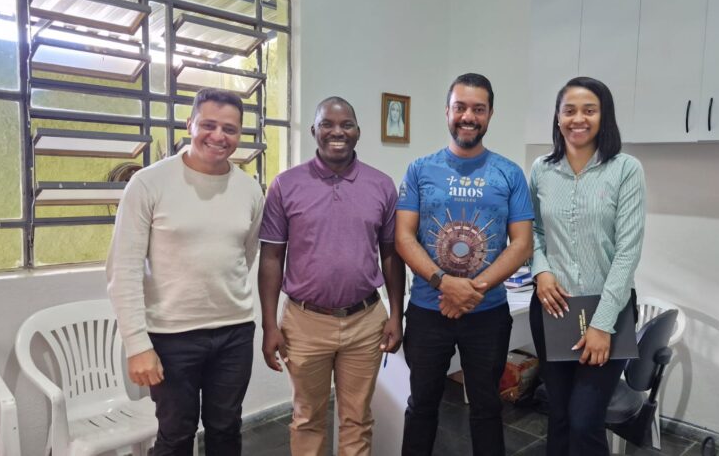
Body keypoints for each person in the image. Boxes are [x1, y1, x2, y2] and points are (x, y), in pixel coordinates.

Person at [106, 88, 264, 455]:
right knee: (176, 435)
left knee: (227, 428)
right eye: (208, 125)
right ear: (189, 124)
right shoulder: (149, 183)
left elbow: (245, 254)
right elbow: (123, 269)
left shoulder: (250, 189)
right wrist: (137, 345)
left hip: (235, 333)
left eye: (229, 129)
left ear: (239, 134)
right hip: (171, 335)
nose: (218, 136)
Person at [395, 73, 534, 456]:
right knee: (421, 404)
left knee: (487, 408)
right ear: (447, 111)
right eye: (460, 107)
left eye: (478, 109)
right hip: (428, 311)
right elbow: (403, 237)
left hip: (487, 314)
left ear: (490, 115)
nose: (468, 116)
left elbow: (522, 244)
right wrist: (445, 284)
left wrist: (473, 290)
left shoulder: (509, 173)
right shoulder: (419, 170)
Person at [258, 96, 405, 456]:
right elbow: (272, 257)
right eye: (327, 124)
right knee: (307, 418)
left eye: (346, 124)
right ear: (314, 130)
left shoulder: (382, 185)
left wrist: (396, 314)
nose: (337, 131)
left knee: (358, 418)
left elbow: (391, 254)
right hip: (304, 322)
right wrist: (269, 324)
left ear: (358, 131)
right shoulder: (285, 185)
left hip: (365, 321)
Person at [529, 76, 646, 456]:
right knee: (559, 416)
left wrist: (602, 324)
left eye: (589, 110)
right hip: (553, 307)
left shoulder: (626, 169)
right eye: (569, 110)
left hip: (607, 309)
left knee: (585, 421)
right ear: (558, 117)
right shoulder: (541, 169)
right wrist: (541, 271)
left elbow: (627, 251)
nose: (578, 119)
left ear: (603, 116)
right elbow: (531, 231)